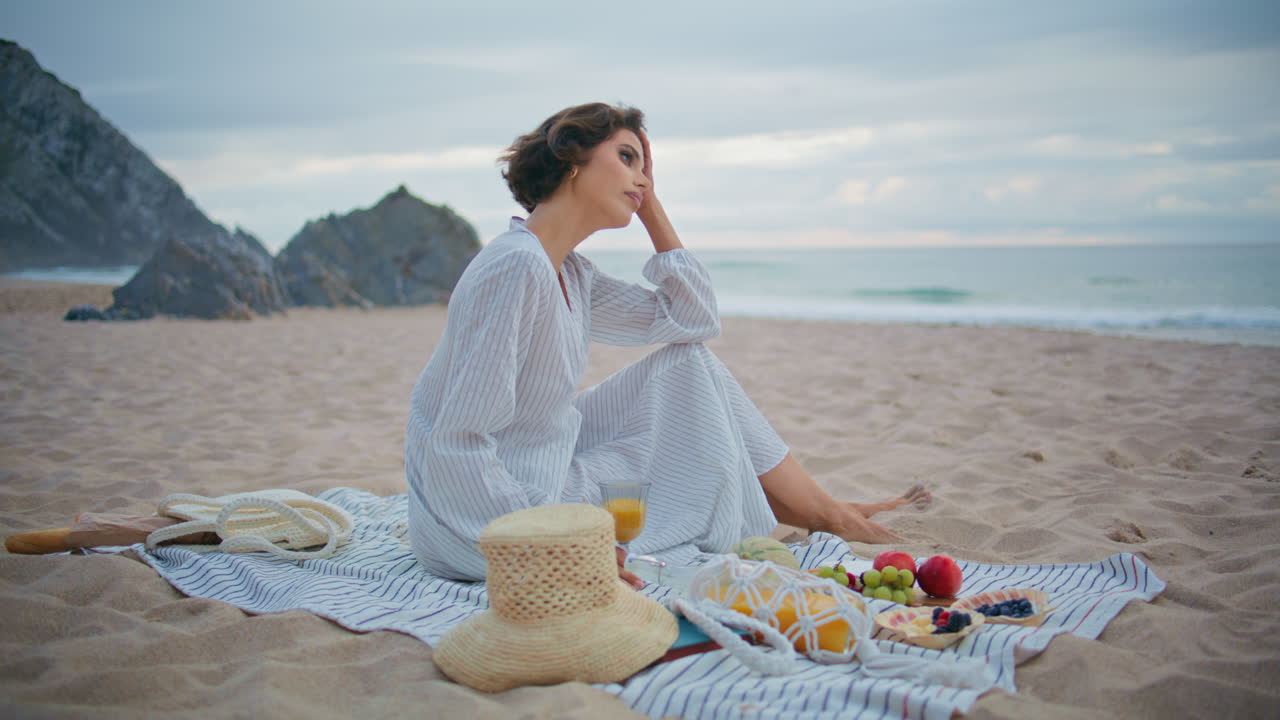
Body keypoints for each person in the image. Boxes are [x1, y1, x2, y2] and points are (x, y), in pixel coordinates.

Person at [405, 102, 929, 586]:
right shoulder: (516, 266)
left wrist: (649, 205)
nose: (641, 177)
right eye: (628, 158)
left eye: (645, 168)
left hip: (542, 467)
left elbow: (692, 319)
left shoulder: (569, 272)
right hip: (485, 520)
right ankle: (819, 511)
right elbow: (460, 440)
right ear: (571, 160)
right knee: (690, 406)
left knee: (688, 364)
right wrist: (546, 540)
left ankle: (819, 507)